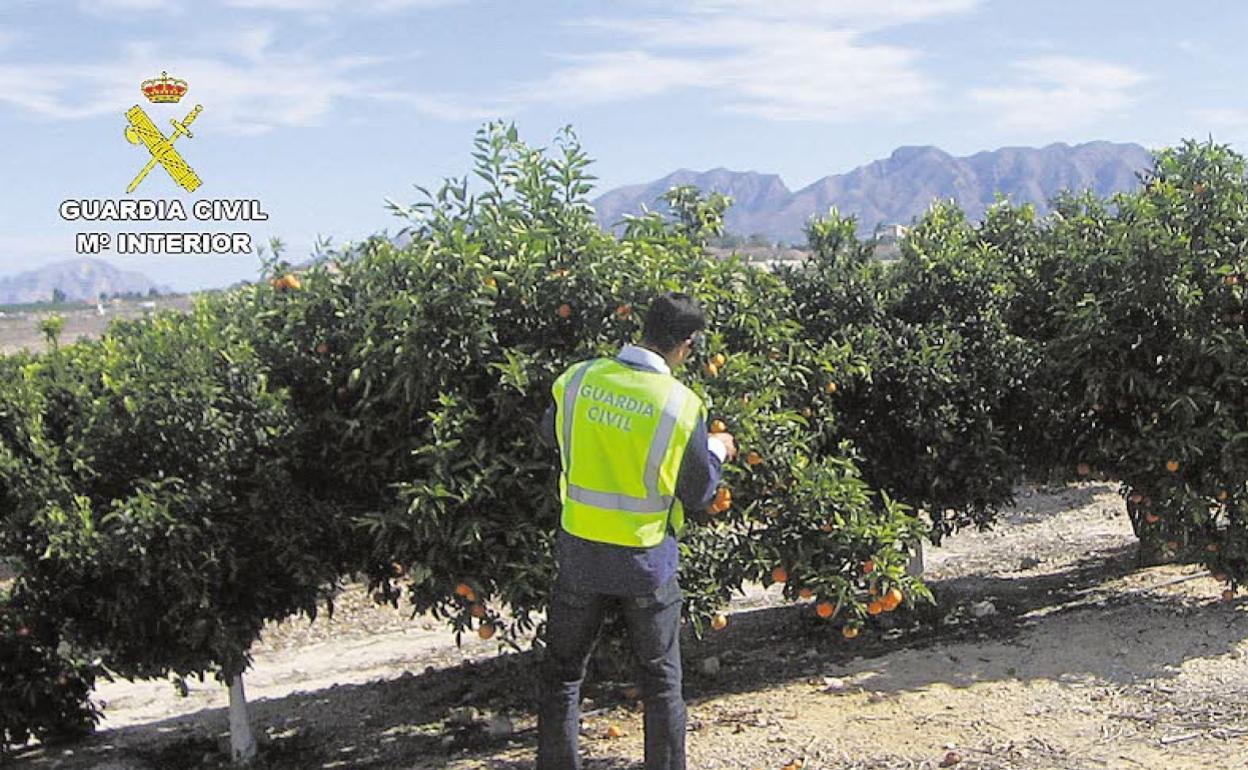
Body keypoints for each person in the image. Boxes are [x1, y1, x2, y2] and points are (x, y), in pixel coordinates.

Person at [536, 292, 737, 770]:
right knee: (661, 682)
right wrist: (717, 452)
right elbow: (697, 493)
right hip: (645, 562)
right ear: (686, 345)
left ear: (641, 329)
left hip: (581, 553)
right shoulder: (681, 406)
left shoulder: (580, 379)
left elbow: (551, 435)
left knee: (562, 674)